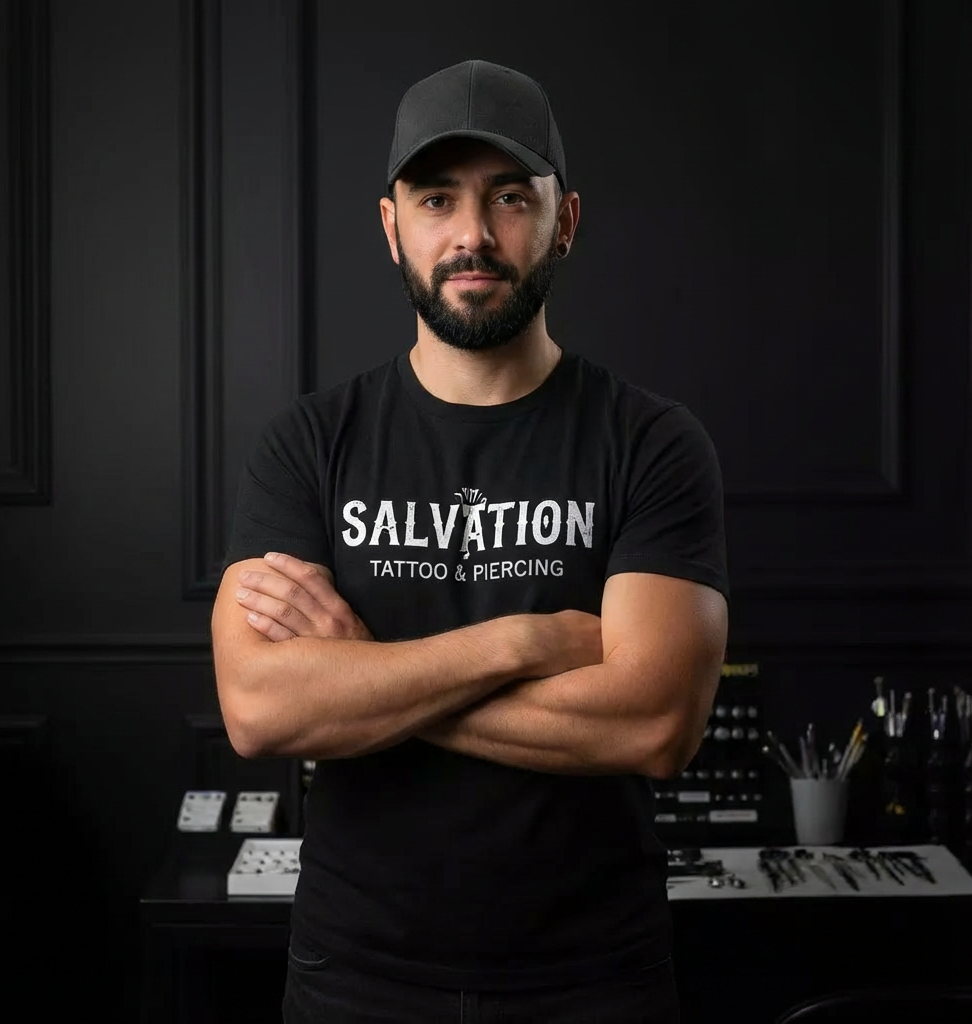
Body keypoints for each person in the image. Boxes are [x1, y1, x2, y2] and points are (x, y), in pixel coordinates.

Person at [211, 58, 729, 1024]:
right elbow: (258, 709)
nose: (473, 236)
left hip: (593, 981)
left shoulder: (652, 441)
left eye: (509, 199)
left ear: (564, 220)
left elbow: (656, 725)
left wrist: (366, 674)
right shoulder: (312, 442)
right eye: (438, 199)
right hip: (357, 977)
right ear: (390, 225)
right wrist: (518, 643)